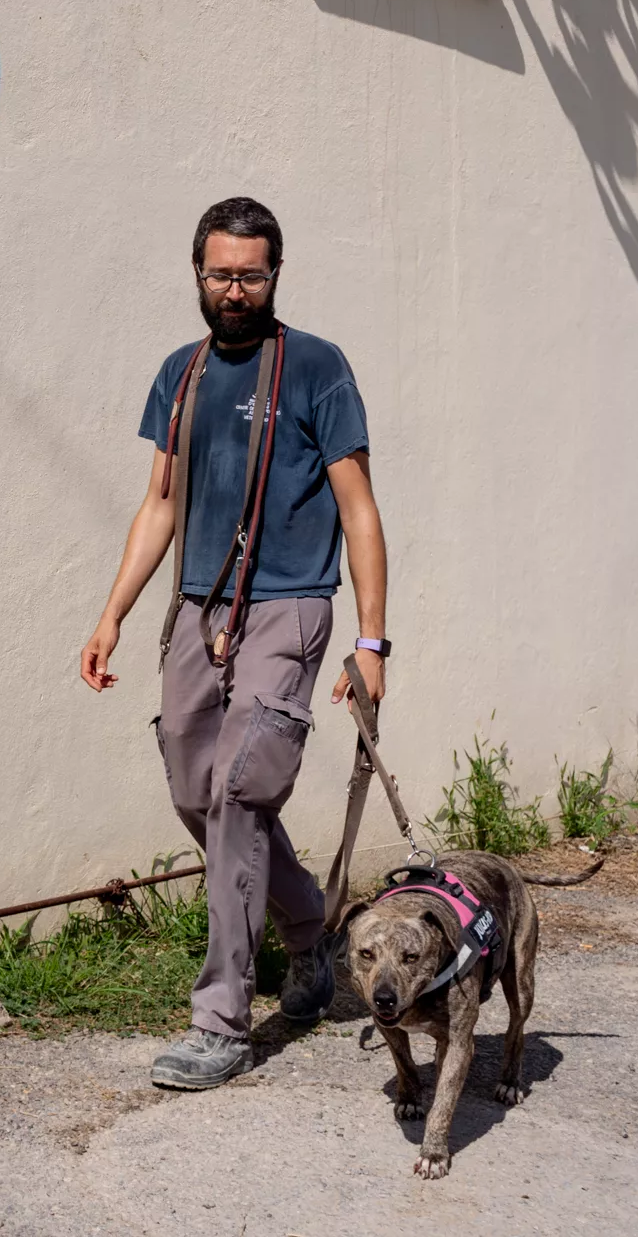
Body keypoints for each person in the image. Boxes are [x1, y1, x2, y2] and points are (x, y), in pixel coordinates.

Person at [80, 196, 389, 1091]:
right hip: (195, 609)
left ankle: (221, 1019)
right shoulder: (179, 374)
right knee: (195, 790)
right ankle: (309, 932)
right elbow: (160, 504)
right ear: (197, 274)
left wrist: (371, 639)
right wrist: (114, 614)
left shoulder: (317, 370)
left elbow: (359, 510)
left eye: (250, 275)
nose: (234, 290)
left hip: (289, 608)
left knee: (239, 792)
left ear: (274, 275)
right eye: (219, 274)